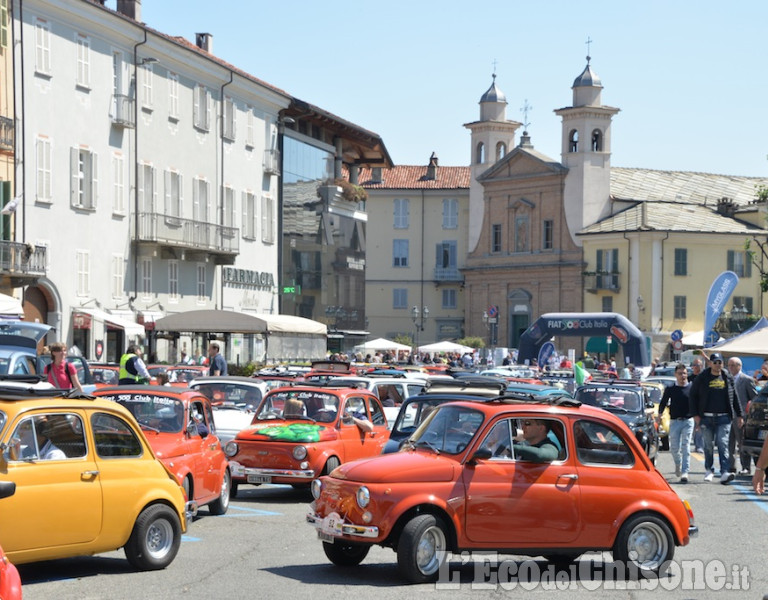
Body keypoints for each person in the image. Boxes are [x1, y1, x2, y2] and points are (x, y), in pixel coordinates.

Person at [690, 352, 743, 484]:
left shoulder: (727, 376)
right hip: (706, 417)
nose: (718, 364)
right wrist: (695, 415)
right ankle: (709, 469)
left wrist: (740, 415)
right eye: (715, 362)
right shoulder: (702, 377)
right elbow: (693, 396)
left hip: (724, 417)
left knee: (722, 443)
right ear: (710, 363)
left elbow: (734, 396)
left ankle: (724, 471)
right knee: (708, 445)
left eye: (720, 362)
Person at [658, 363, 694, 483]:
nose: (682, 376)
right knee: (674, 448)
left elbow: (698, 403)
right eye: (680, 373)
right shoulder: (671, 388)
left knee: (686, 446)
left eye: (684, 373)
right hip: (674, 421)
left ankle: (685, 472)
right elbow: (663, 402)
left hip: (688, 421)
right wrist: (659, 415)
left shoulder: (692, 388)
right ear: (675, 374)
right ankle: (678, 463)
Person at [727, 357, 757, 476]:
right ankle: (731, 466)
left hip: (742, 417)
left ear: (739, 366)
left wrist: (747, 415)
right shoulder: (727, 379)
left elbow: (753, 398)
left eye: (733, 365)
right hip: (728, 416)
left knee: (742, 443)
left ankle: (746, 467)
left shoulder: (746, 380)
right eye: (729, 365)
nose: (731, 368)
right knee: (729, 443)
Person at [690, 357, 705, 453]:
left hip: (702, 406)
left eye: (698, 365)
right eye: (694, 365)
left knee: (700, 427)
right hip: (690, 406)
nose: (696, 367)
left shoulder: (704, 378)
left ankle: (699, 446)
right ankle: (695, 444)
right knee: (693, 427)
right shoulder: (689, 378)